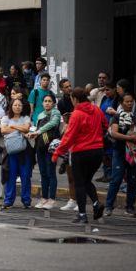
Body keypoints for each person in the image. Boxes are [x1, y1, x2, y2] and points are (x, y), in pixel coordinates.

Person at [52, 87, 107, 223]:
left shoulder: (76, 114)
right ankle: (96, 204)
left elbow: (69, 137)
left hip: (81, 152)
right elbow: (105, 125)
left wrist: (57, 152)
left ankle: (82, 215)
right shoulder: (97, 110)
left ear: (75, 99)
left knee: (79, 183)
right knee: (86, 180)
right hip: (97, 151)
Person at [104, 93, 136, 217]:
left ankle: (130, 207)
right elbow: (114, 134)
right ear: (121, 103)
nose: (130, 104)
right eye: (127, 102)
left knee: (132, 180)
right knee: (116, 179)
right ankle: (108, 206)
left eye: (131, 101)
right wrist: (130, 138)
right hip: (119, 152)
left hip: (133, 154)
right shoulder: (117, 117)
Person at [28, 94, 61, 210]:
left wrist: (38, 131)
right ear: (42, 103)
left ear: (53, 103)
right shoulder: (40, 115)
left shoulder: (55, 113)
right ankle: (44, 198)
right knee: (43, 173)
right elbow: (36, 129)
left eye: (49, 101)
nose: (47, 103)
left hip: (51, 148)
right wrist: (32, 132)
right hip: (40, 147)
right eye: (45, 101)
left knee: (51, 172)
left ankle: (52, 199)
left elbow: (53, 124)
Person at [0, 99, 32, 208]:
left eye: (20, 105)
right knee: (10, 176)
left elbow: (27, 129)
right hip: (10, 151)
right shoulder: (5, 118)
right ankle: (8, 200)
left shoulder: (26, 117)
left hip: (24, 151)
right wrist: (20, 129)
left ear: (22, 107)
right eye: (15, 104)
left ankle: (26, 200)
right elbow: (3, 130)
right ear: (11, 106)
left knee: (25, 176)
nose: (17, 106)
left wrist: (13, 127)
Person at [56, 78, 78, 211]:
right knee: (70, 173)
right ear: (61, 89)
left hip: (80, 140)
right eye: (66, 87)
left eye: (70, 86)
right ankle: (72, 199)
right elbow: (65, 121)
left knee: (79, 174)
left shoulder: (78, 98)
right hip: (69, 136)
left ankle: (79, 199)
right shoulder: (62, 103)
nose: (69, 88)